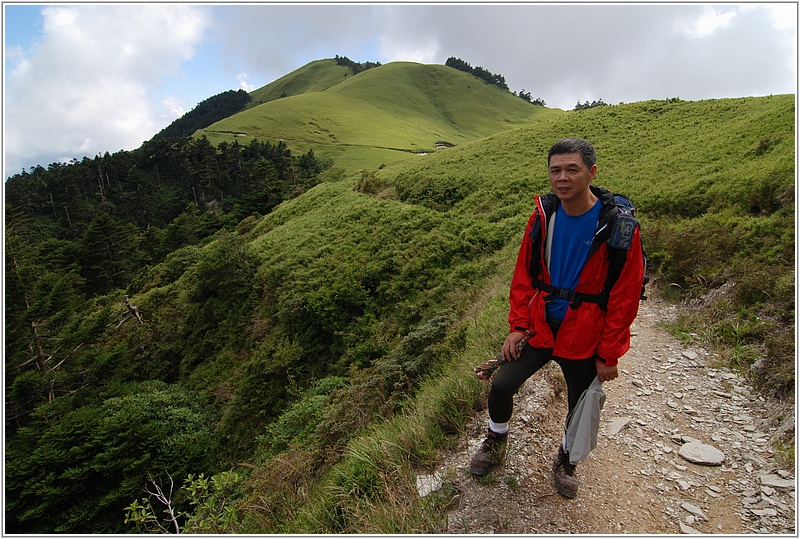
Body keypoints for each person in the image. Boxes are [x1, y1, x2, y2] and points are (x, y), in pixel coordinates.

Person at [469, 137, 644, 498]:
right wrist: (518, 327)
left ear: (592, 172)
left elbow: (625, 297)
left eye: (572, 169)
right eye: (555, 170)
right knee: (502, 385)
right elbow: (523, 277)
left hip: (585, 332)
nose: (562, 178)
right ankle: (496, 440)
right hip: (540, 327)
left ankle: (566, 459)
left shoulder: (618, 226)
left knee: (579, 401)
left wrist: (609, 354)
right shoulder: (543, 217)